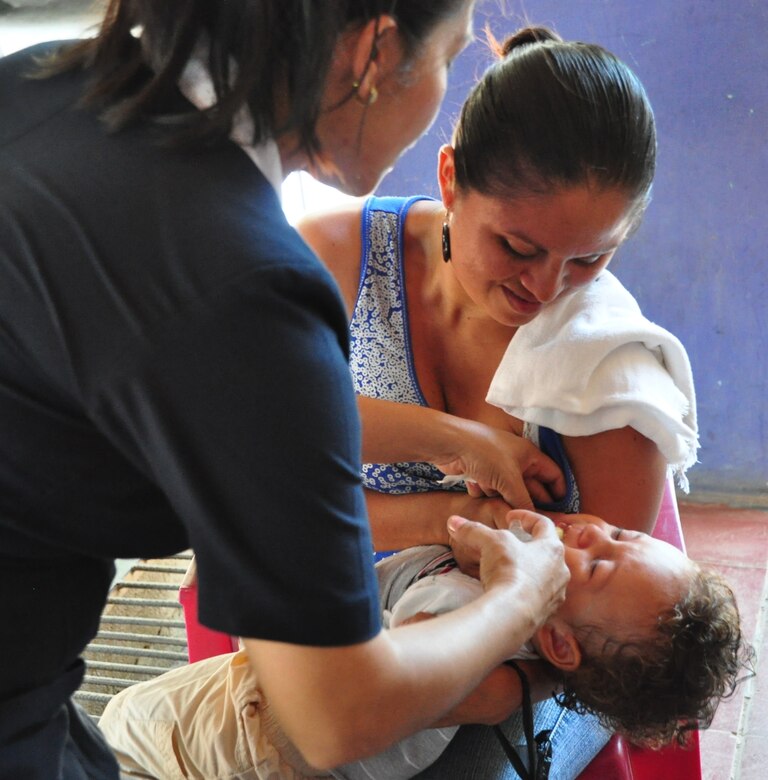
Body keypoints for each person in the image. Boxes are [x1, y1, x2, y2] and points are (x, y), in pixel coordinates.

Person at [0, 4, 575, 779]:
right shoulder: (252, 280)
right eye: (445, 56)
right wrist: (521, 598)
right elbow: (337, 711)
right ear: (377, 51)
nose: (545, 286)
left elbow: (243, 415)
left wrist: (456, 446)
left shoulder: (38, 83)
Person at [295, 24, 701, 778]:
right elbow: (265, 478)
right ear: (450, 180)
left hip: (530, 671)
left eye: (589, 258)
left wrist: (485, 692)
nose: (543, 290)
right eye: (518, 247)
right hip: (345, 610)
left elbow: (586, 646)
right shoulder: (332, 261)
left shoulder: (612, 383)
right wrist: (454, 448)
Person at [98, 511, 749, 779]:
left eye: (599, 565)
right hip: (262, 735)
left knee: (117, 735)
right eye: (620, 534)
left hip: (243, 735)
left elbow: (367, 675)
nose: (589, 533)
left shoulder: (464, 614)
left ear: (557, 640)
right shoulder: (528, 648)